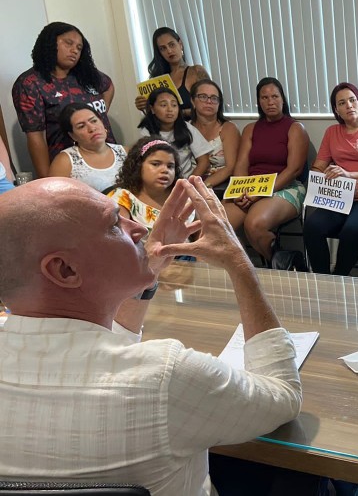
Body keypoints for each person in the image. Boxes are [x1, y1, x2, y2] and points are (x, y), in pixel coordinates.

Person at [0, 175, 302, 495]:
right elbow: (282, 397)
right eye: (115, 224)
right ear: (64, 270)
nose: (140, 229)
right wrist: (239, 263)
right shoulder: (166, 376)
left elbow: (100, 352)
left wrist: (149, 266)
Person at [304, 82, 358, 275]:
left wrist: (350, 175)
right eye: (342, 103)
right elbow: (319, 165)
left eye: (352, 100)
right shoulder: (332, 133)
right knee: (312, 226)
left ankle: (339, 276)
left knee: (351, 230)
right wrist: (320, 173)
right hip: (340, 194)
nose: (349, 106)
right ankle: (321, 279)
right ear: (337, 110)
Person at [12, 22, 116, 179]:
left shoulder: (87, 75)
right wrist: (49, 180)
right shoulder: (30, 83)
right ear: (50, 43)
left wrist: (100, 113)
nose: (75, 50)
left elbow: (108, 86)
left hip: (110, 158)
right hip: (71, 169)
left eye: (79, 48)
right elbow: (36, 137)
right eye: (69, 43)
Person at [224, 77, 309, 264]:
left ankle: (279, 262)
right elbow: (240, 166)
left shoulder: (295, 128)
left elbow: (294, 170)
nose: (270, 102)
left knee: (254, 225)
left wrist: (261, 193)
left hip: (285, 187)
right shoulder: (250, 129)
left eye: (275, 96)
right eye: (264, 98)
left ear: (283, 99)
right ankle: (248, 267)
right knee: (216, 223)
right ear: (258, 102)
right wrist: (240, 191)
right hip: (250, 188)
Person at [107, 137, 183, 232]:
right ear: (138, 166)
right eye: (156, 164)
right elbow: (119, 240)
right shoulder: (122, 198)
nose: (165, 170)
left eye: (170, 166)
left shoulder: (183, 195)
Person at [49, 103, 127, 192]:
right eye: (81, 126)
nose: (92, 128)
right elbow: (54, 200)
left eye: (94, 121)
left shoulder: (125, 152)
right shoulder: (64, 161)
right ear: (72, 135)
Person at [135, 27, 210, 118]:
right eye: (163, 48)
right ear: (160, 53)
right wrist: (145, 106)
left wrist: (178, 113)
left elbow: (209, 107)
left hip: (195, 129)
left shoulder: (196, 72)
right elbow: (156, 117)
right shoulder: (158, 79)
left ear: (180, 44)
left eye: (172, 45)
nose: (169, 51)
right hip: (167, 131)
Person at [138, 87, 212, 177]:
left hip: (186, 180)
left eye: (174, 105)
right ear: (152, 109)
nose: (170, 109)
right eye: (163, 105)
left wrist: (189, 183)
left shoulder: (186, 127)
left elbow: (204, 160)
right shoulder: (146, 132)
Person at [189, 79, 241, 188]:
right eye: (203, 96)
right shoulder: (185, 128)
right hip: (189, 181)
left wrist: (201, 187)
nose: (209, 101)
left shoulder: (228, 128)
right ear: (193, 101)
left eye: (214, 98)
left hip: (220, 184)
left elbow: (230, 168)